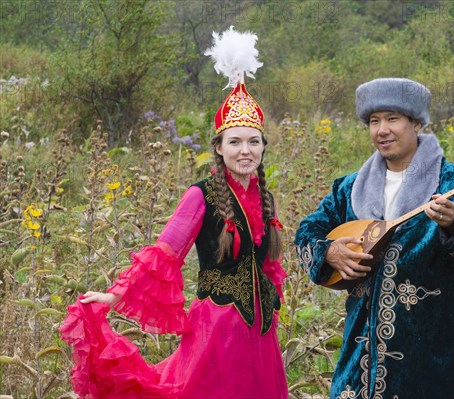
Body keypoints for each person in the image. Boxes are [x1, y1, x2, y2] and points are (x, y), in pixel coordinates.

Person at [60, 28, 288, 399]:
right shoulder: (200, 195)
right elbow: (166, 252)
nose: (244, 150)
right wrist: (113, 297)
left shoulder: (266, 198)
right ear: (219, 147)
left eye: (253, 141)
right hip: (217, 330)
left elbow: (268, 269)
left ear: (263, 147)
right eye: (235, 142)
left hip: (260, 334)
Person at [295, 78, 454, 399]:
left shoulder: (449, 180)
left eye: (392, 119)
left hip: (426, 358)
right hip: (359, 359)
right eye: (374, 121)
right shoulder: (350, 188)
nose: (382, 130)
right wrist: (328, 252)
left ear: (416, 123)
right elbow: (306, 233)